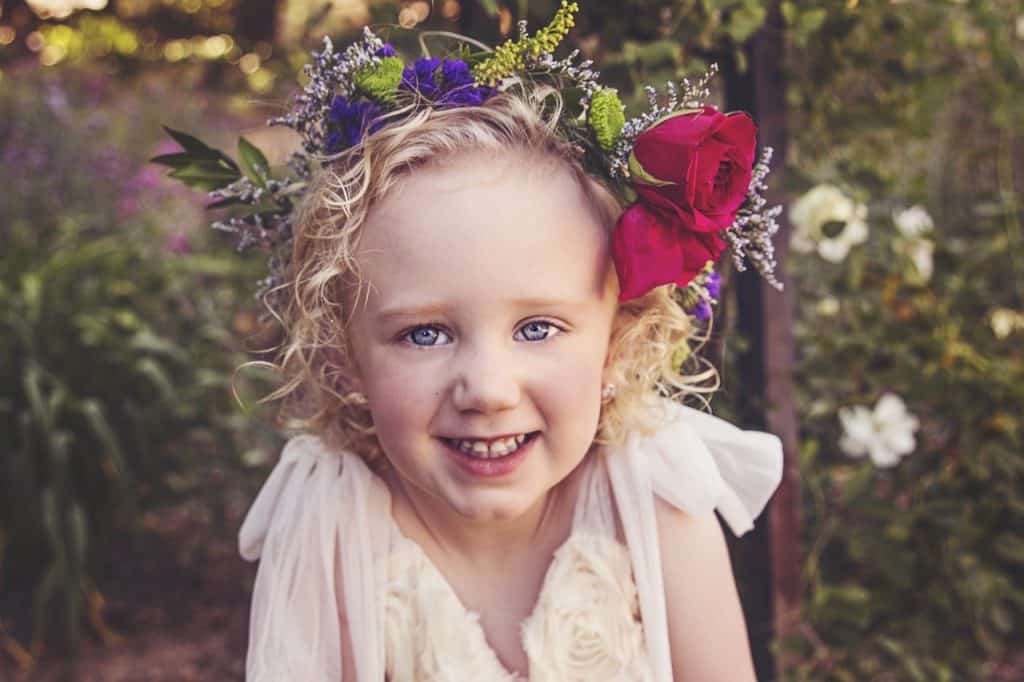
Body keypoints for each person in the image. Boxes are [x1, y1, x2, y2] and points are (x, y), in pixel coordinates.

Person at [158, 4, 785, 680]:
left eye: (537, 328)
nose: (487, 389)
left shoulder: (654, 497)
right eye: (424, 333)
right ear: (345, 361)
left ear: (619, 342)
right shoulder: (332, 527)